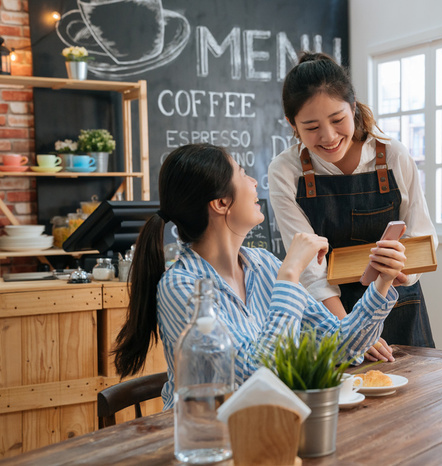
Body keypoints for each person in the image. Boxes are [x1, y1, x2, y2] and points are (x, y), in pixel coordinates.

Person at [112, 143, 406, 409]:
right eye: (242, 174)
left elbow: (340, 346)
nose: (254, 183)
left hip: (267, 427)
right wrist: (290, 274)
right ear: (221, 203)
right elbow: (255, 378)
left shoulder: (263, 263)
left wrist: (382, 282)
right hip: (206, 439)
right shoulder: (182, 286)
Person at [268, 52, 438, 362]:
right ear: (292, 125)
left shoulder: (393, 155)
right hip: (331, 316)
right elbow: (308, 266)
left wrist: (400, 270)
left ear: (354, 107)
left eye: (337, 120)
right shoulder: (285, 171)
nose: (329, 137)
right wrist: (350, 329)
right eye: (311, 127)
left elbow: (422, 235)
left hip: (398, 306)